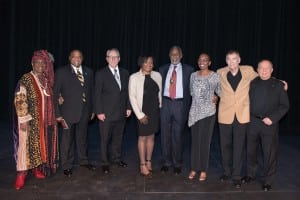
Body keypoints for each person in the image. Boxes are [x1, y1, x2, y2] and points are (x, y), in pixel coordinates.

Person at [13, 50, 59, 190]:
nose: (40, 65)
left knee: (39, 146)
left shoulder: (46, 79)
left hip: (44, 122)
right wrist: (24, 120)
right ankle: (21, 174)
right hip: (29, 121)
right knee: (25, 147)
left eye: (43, 63)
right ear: (32, 64)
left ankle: (36, 169)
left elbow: (50, 98)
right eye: (37, 63)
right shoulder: (26, 79)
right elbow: (20, 99)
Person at [241, 60, 289, 191]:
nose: (264, 70)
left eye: (267, 68)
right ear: (257, 69)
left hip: (269, 124)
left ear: (272, 70)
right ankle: (250, 174)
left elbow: (284, 106)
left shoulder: (279, 85)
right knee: (251, 151)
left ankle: (268, 181)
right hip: (252, 122)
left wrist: (272, 118)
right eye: (261, 68)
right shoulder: (252, 83)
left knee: (269, 153)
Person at [217, 50, 258, 188]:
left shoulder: (248, 71)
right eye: (228, 59)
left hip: (242, 114)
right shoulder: (220, 72)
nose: (231, 62)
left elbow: (263, 77)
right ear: (226, 61)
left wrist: (279, 82)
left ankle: (236, 176)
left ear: (239, 60)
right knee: (225, 146)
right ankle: (227, 172)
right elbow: (211, 85)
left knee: (239, 147)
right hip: (225, 114)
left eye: (234, 59)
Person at [53, 50, 96, 177]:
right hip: (67, 113)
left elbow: (91, 93)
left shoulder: (89, 72)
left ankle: (83, 161)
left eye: (79, 57)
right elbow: (55, 94)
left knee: (83, 138)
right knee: (67, 140)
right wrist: (58, 114)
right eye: (74, 56)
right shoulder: (61, 72)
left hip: (85, 112)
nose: (77, 59)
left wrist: (93, 110)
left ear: (82, 58)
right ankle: (67, 165)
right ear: (69, 58)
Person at [94, 48, 132, 174]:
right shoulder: (100, 73)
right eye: (111, 57)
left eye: (116, 57)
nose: (113, 59)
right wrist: (99, 111)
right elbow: (97, 94)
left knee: (118, 138)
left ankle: (116, 159)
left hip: (121, 113)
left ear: (119, 59)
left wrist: (128, 107)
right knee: (105, 139)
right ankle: (105, 163)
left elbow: (127, 92)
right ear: (106, 59)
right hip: (106, 114)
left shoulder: (125, 73)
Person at [159, 45, 194, 174]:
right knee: (165, 135)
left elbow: (195, 87)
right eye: (172, 54)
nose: (174, 56)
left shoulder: (189, 70)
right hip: (166, 104)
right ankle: (166, 162)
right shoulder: (162, 69)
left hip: (180, 105)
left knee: (178, 135)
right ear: (169, 56)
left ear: (181, 55)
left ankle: (177, 163)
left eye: (176, 54)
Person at [187, 53, 221, 181]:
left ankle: (203, 170)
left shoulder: (215, 76)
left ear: (209, 62)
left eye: (205, 60)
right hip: (195, 113)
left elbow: (220, 92)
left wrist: (217, 97)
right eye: (200, 60)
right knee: (195, 142)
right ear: (198, 61)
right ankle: (194, 168)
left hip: (209, 113)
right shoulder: (193, 76)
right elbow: (191, 92)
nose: (202, 62)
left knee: (205, 143)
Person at [128, 55, 162, 177]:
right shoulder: (134, 77)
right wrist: (140, 115)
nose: (149, 65)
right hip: (142, 111)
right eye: (146, 63)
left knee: (151, 137)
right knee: (142, 137)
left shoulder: (157, 75)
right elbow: (132, 97)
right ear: (141, 63)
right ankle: (142, 164)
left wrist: (160, 108)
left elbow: (159, 93)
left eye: (151, 63)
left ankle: (148, 161)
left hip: (154, 111)